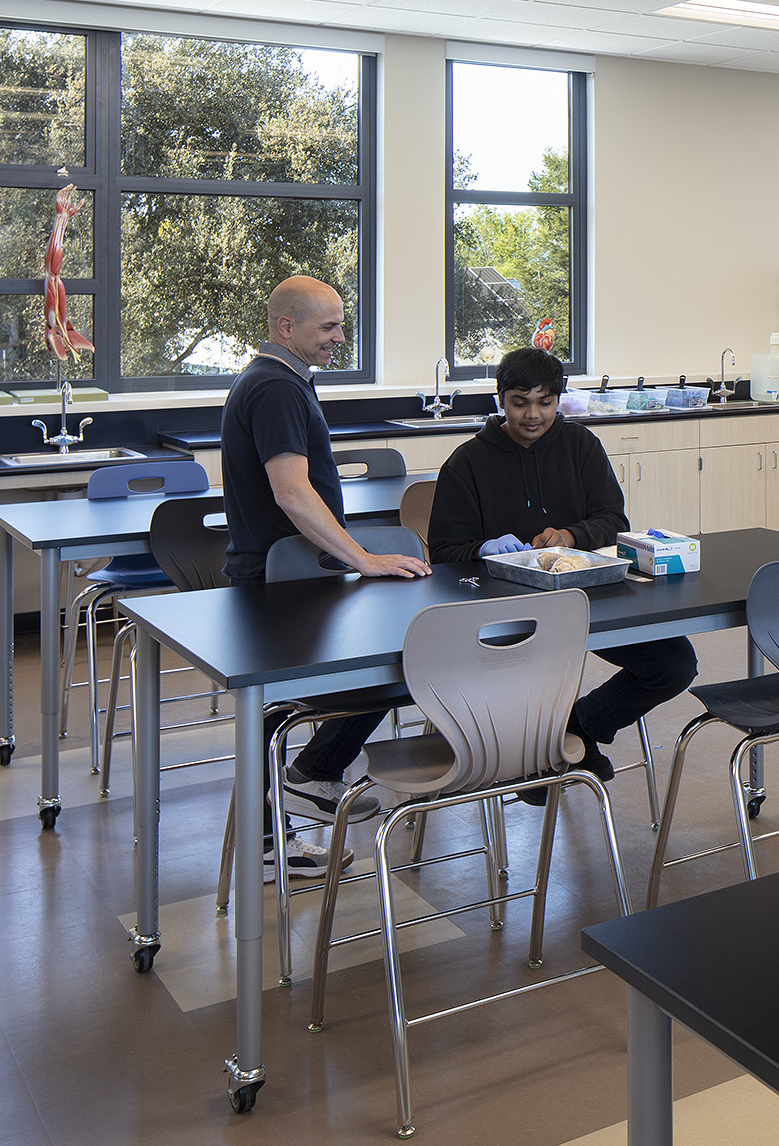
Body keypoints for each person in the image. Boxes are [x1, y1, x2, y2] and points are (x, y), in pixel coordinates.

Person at [220, 276, 430, 877]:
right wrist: (363, 558)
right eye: (329, 326)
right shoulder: (276, 388)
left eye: (341, 324)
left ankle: (289, 807)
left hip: (285, 578)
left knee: (378, 671)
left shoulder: (279, 381)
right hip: (279, 582)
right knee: (399, 665)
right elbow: (291, 492)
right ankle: (293, 804)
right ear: (286, 327)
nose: (340, 336)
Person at [427, 347, 696, 783]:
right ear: (500, 399)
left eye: (545, 402)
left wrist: (572, 536)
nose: (533, 415)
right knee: (535, 675)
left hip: (587, 600)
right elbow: (443, 553)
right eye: (520, 403)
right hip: (504, 612)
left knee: (673, 664)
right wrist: (484, 550)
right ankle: (537, 758)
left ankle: (578, 729)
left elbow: (614, 521)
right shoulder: (467, 463)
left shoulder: (581, 446)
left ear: (559, 399)